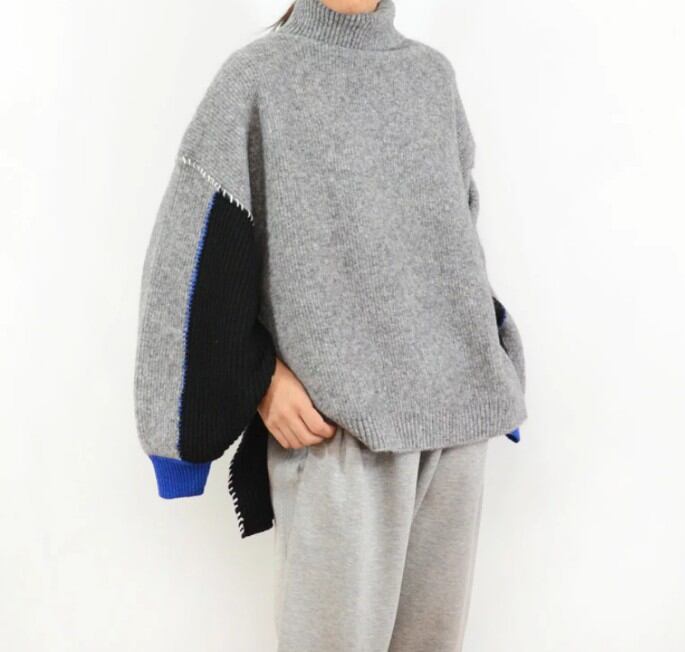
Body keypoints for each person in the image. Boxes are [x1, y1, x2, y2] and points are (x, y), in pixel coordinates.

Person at [133, 0, 527, 649]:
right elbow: (191, 253)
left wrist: (487, 361)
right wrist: (258, 377)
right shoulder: (257, 79)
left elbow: (455, 239)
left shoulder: (431, 77)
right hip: (337, 440)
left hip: (456, 434)